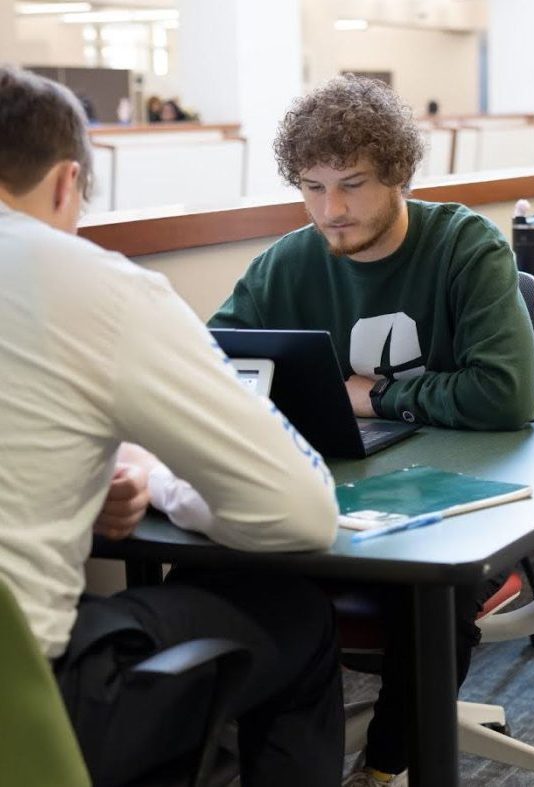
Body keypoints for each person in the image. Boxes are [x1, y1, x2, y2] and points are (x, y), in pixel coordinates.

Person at [0, 66, 344, 786]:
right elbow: (301, 515)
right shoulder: (92, 282)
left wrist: (79, 482)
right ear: (67, 183)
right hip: (26, 706)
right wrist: (153, 476)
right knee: (297, 614)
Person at [207, 75, 534, 786]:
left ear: (398, 175)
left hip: (459, 497)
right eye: (312, 187)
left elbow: (505, 394)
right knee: (210, 564)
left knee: (430, 593)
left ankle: (385, 764)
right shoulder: (288, 263)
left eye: (352, 184)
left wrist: (378, 394)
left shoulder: (464, 247)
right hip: (332, 494)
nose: (331, 210)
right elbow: (210, 362)